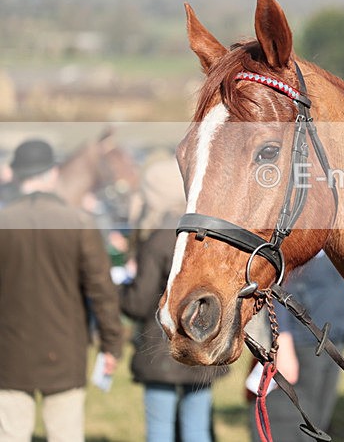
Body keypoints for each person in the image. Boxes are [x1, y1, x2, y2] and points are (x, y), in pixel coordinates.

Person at [0, 138, 124, 441]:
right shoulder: (78, 222)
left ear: (16, 174)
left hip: (8, 352)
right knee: (65, 434)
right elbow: (102, 290)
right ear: (53, 173)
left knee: (10, 434)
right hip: (65, 352)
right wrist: (111, 344)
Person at [119, 155, 228, 442]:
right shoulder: (209, 236)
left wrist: (120, 290)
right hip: (202, 344)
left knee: (160, 430)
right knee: (198, 429)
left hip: (161, 349)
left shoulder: (157, 240)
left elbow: (139, 302)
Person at [248, 250, 344, 442]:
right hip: (301, 341)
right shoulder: (299, 242)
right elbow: (277, 286)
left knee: (318, 418)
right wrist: (282, 340)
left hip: (333, 339)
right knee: (293, 418)